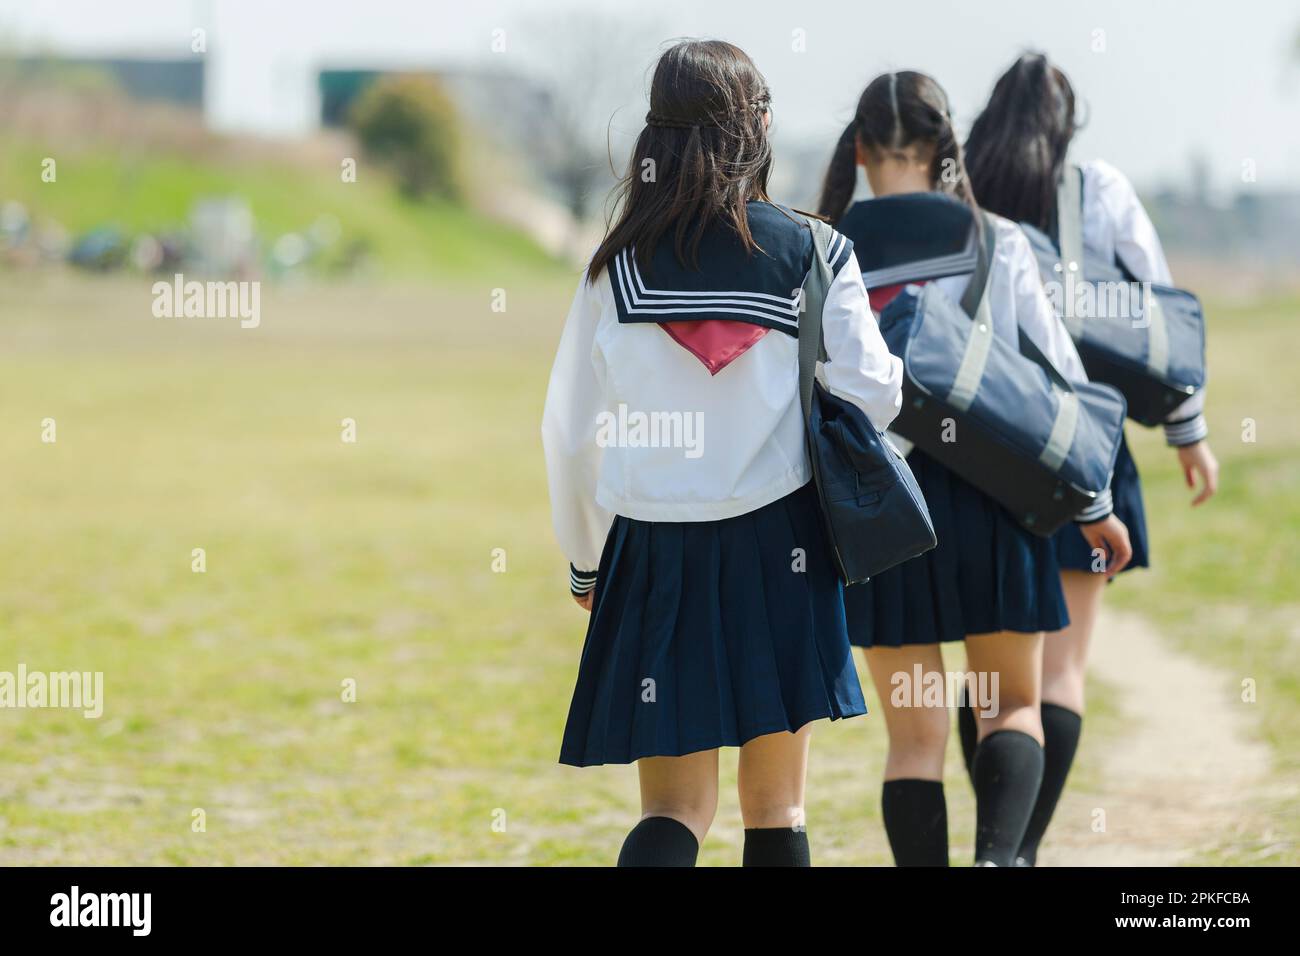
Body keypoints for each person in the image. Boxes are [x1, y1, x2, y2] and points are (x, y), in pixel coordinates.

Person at [542, 39, 903, 867]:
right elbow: (877, 394)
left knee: (672, 809)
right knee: (776, 807)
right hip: (785, 547)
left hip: (649, 549)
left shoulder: (615, 264)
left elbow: (567, 432)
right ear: (761, 127)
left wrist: (586, 563)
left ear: (653, 139)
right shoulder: (816, 250)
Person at [817, 70, 1132, 867]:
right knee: (1011, 708)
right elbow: (1054, 385)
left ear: (859, 149)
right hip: (996, 505)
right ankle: (1000, 860)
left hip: (886, 513)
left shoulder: (822, 247)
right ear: (945, 147)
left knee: (914, 744)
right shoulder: (1000, 239)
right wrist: (1094, 501)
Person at [959, 52, 1218, 866]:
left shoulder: (956, 188)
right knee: (1058, 678)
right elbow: (1156, 316)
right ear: (1066, 125)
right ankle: (1018, 851)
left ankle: (997, 841)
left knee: (993, 688)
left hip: (973, 457)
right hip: (1083, 453)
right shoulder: (1096, 189)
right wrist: (1190, 433)